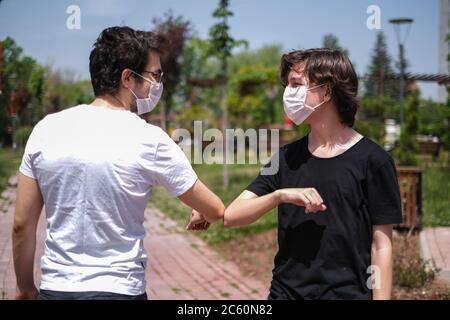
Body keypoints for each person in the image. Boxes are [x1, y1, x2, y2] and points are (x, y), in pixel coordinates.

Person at [12, 26, 224, 300]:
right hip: (120, 290)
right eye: (155, 75)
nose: (158, 84)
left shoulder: (45, 129)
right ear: (128, 77)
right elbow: (216, 209)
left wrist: (25, 287)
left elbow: (21, 224)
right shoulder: (150, 139)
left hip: (57, 288)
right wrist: (202, 211)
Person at [221, 49, 402, 300]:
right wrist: (279, 196)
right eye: (288, 85)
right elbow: (232, 216)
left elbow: (381, 245)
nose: (288, 93)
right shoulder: (286, 158)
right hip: (285, 294)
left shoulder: (374, 160)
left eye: (297, 84)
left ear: (327, 91)